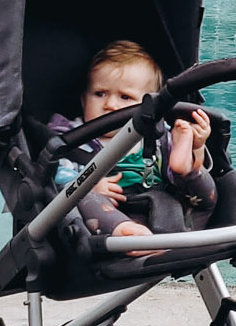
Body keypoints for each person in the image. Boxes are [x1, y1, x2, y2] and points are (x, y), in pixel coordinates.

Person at [45, 40, 214, 240]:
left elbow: (178, 186)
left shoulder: (157, 135)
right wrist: (87, 184)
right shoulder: (74, 139)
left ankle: (187, 164)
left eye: (125, 97)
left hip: (164, 209)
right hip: (105, 213)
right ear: (83, 100)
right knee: (75, 196)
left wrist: (197, 147)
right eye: (100, 94)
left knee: (202, 191)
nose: (110, 104)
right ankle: (123, 230)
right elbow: (56, 175)